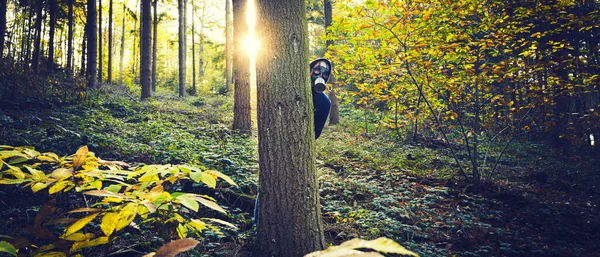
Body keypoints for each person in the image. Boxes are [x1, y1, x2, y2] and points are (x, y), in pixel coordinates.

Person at [253, 58, 333, 229]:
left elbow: (315, 134)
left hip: (300, 152)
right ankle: (257, 225)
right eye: (317, 70)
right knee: (269, 185)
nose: (321, 75)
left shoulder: (324, 103)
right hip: (276, 145)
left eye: (325, 73)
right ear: (309, 70)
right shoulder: (291, 88)